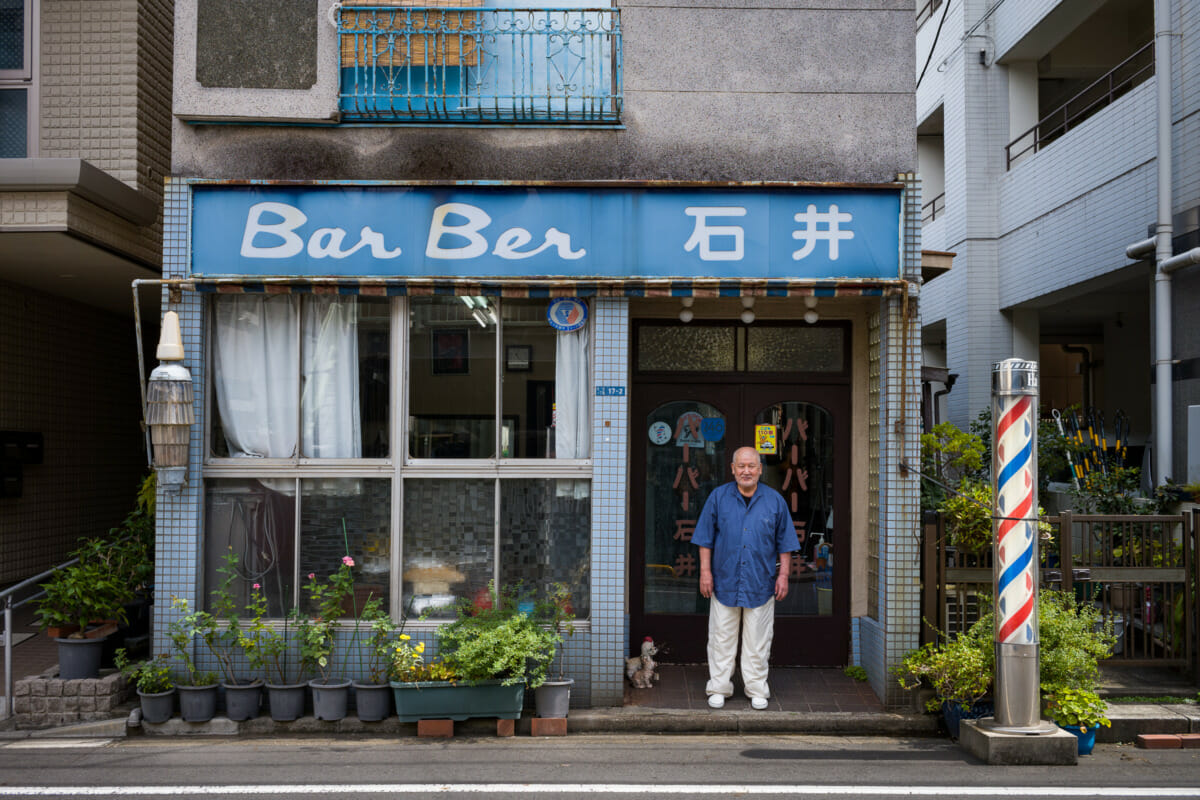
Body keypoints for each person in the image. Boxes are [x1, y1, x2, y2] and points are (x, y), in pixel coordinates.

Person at [692, 446, 798, 710]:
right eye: (741, 466)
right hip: (724, 580)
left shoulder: (775, 501)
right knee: (721, 638)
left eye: (752, 466)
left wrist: (783, 575)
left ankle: (756, 688)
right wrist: (705, 573)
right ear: (732, 469)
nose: (747, 471)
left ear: (760, 469)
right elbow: (704, 539)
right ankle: (719, 687)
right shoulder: (718, 497)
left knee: (758, 640)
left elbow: (785, 543)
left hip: (761, 581)